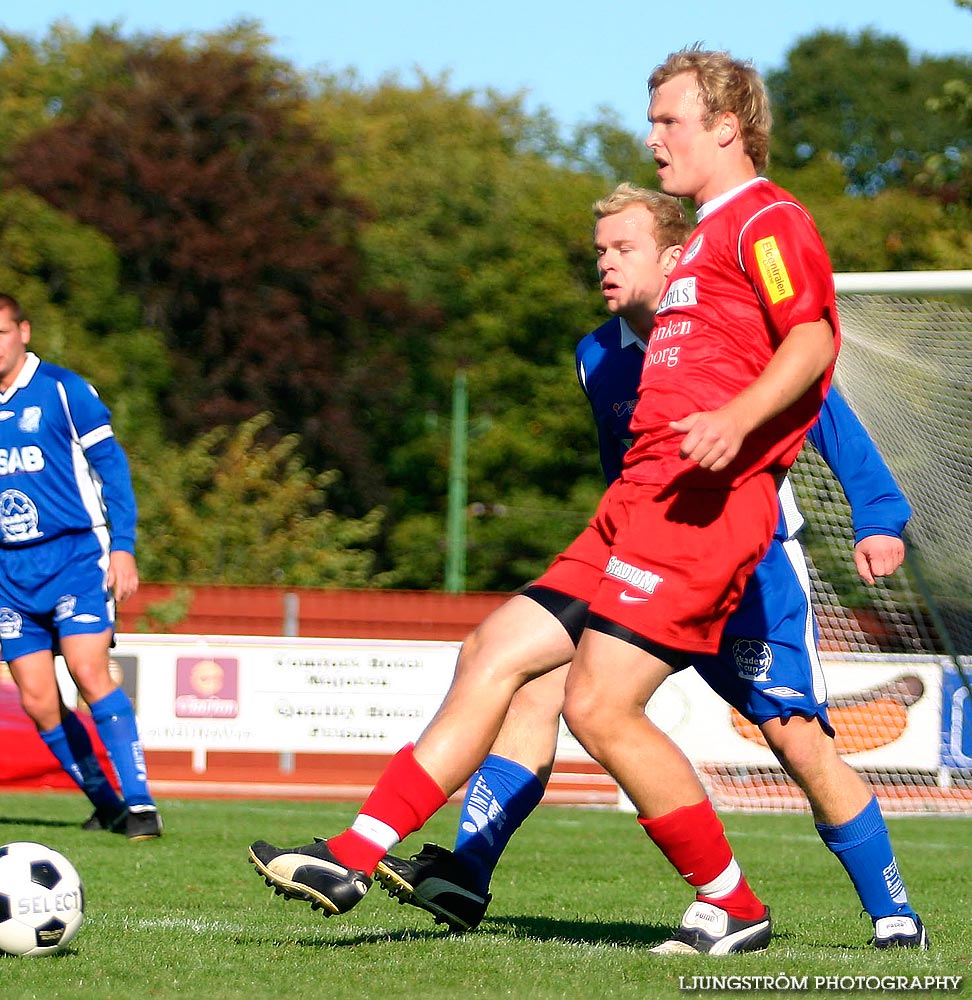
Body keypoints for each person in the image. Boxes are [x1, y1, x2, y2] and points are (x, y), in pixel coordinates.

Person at [247, 47, 865, 953]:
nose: (654, 139)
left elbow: (810, 339)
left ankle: (732, 904)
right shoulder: (695, 242)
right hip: (637, 502)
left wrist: (737, 421)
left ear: (728, 128)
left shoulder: (766, 221)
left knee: (598, 706)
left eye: (670, 121)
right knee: (493, 649)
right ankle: (354, 851)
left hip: (699, 511)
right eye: (651, 120)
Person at [373, 184, 926, 952]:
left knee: (796, 738)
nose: (604, 263)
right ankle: (467, 872)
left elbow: (824, 407)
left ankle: (893, 913)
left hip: (752, 567)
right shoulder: (596, 354)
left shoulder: (731, 325)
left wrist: (879, 516)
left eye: (622, 248)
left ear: (675, 256)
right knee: (541, 689)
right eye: (598, 249)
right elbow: (623, 467)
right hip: (646, 558)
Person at [0, 292, 163, 841]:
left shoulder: (64, 391)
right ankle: (107, 804)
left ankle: (141, 804)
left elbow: (111, 468)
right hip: (11, 573)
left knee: (88, 671)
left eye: (0, 332)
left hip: (75, 556)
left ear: (23, 331)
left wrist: (123, 545)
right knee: (36, 700)